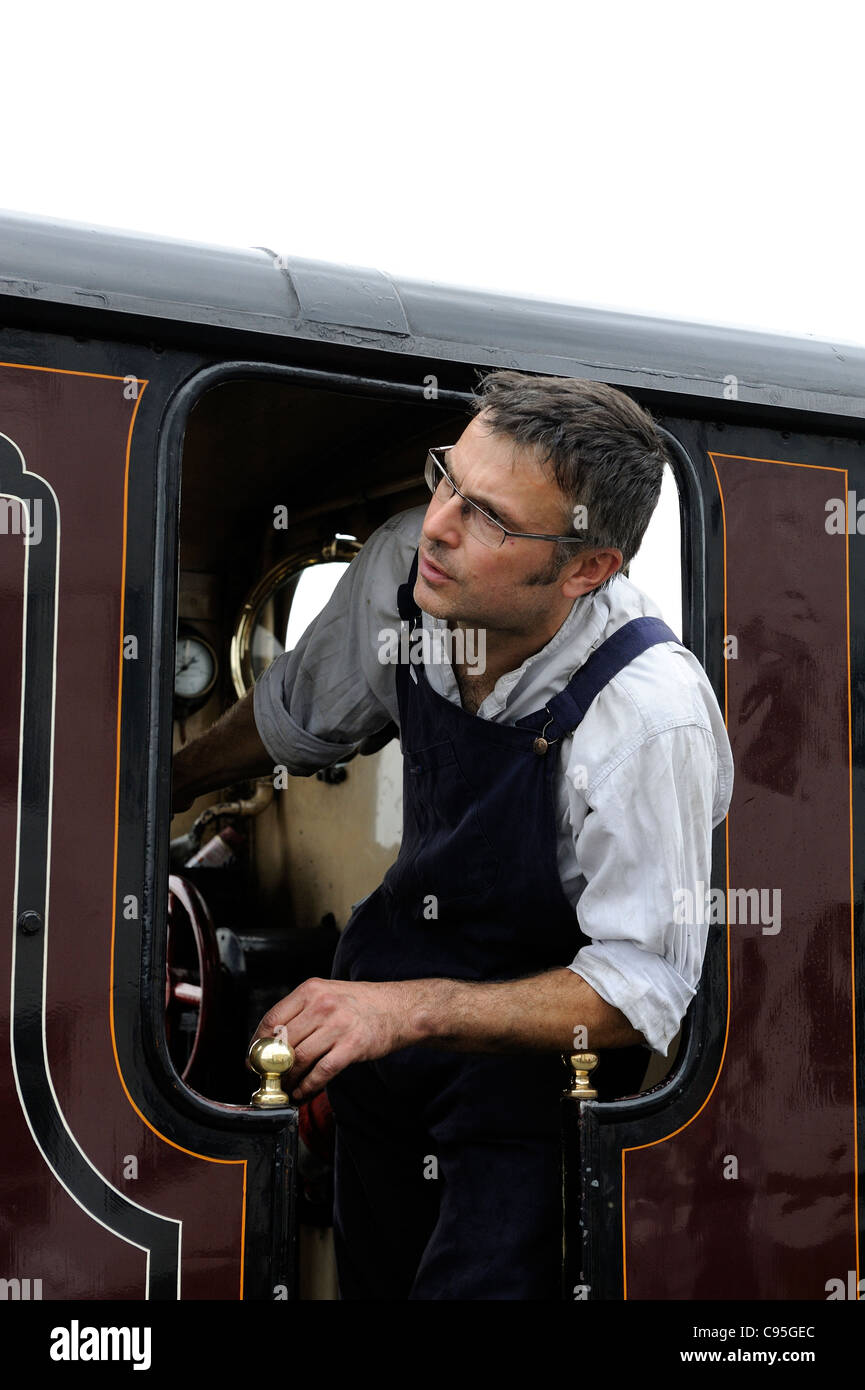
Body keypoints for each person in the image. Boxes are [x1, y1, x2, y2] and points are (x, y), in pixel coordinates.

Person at [172, 370, 733, 1301]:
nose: (438, 524)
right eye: (447, 480)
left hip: (524, 1092)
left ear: (587, 567)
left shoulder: (646, 718)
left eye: (491, 520)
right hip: (378, 1054)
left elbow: (642, 991)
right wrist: (150, 789)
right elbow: (294, 721)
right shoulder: (409, 572)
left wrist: (408, 1009)